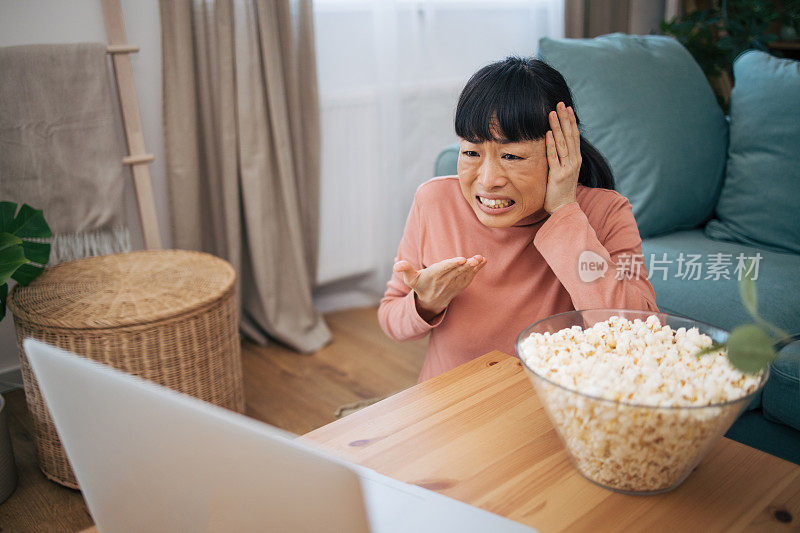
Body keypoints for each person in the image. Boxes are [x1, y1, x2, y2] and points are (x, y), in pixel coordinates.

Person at [378, 56, 658, 382]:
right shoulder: (434, 202)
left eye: (511, 156)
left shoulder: (604, 212)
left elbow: (641, 337)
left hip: (547, 409)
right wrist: (425, 303)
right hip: (448, 409)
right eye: (471, 152)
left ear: (560, 151)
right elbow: (390, 318)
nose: (488, 179)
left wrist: (565, 213)